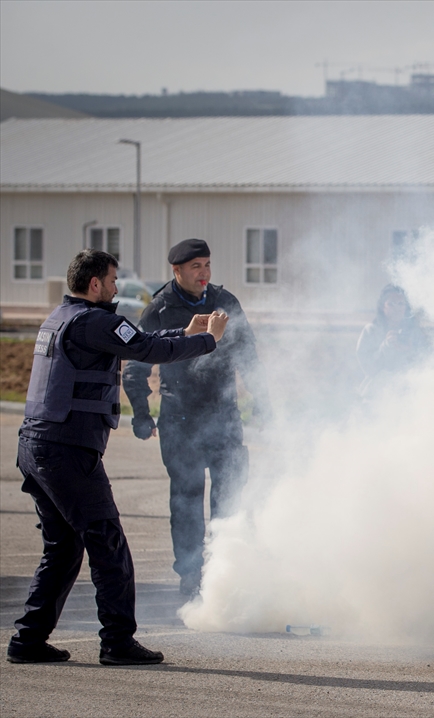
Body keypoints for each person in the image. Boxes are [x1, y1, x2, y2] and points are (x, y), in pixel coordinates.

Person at [7, 249, 226, 666]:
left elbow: (137, 341)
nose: (115, 287)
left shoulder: (62, 317)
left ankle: (28, 640)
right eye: (111, 281)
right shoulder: (94, 321)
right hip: (67, 451)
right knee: (108, 545)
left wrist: (185, 330)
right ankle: (117, 642)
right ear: (95, 284)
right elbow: (147, 349)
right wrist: (208, 340)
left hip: (38, 447)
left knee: (63, 548)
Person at [122, 238, 271, 596]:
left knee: (230, 497)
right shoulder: (160, 309)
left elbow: (248, 356)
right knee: (187, 502)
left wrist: (263, 401)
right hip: (180, 421)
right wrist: (141, 413)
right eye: (195, 267)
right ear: (177, 271)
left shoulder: (225, 301)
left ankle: (227, 574)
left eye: (207, 265)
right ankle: (191, 578)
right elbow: (136, 366)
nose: (204, 273)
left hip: (224, 416)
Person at [355, 284, 432, 396]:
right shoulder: (371, 330)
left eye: (401, 304)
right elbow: (368, 367)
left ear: (406, 307)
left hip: (409, 390)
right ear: (382, 307)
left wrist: (409, 351)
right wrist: (385, 347)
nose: (396, 308)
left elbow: (426, 363)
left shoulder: (414, 332)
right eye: (391, 304)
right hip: (378, 391)